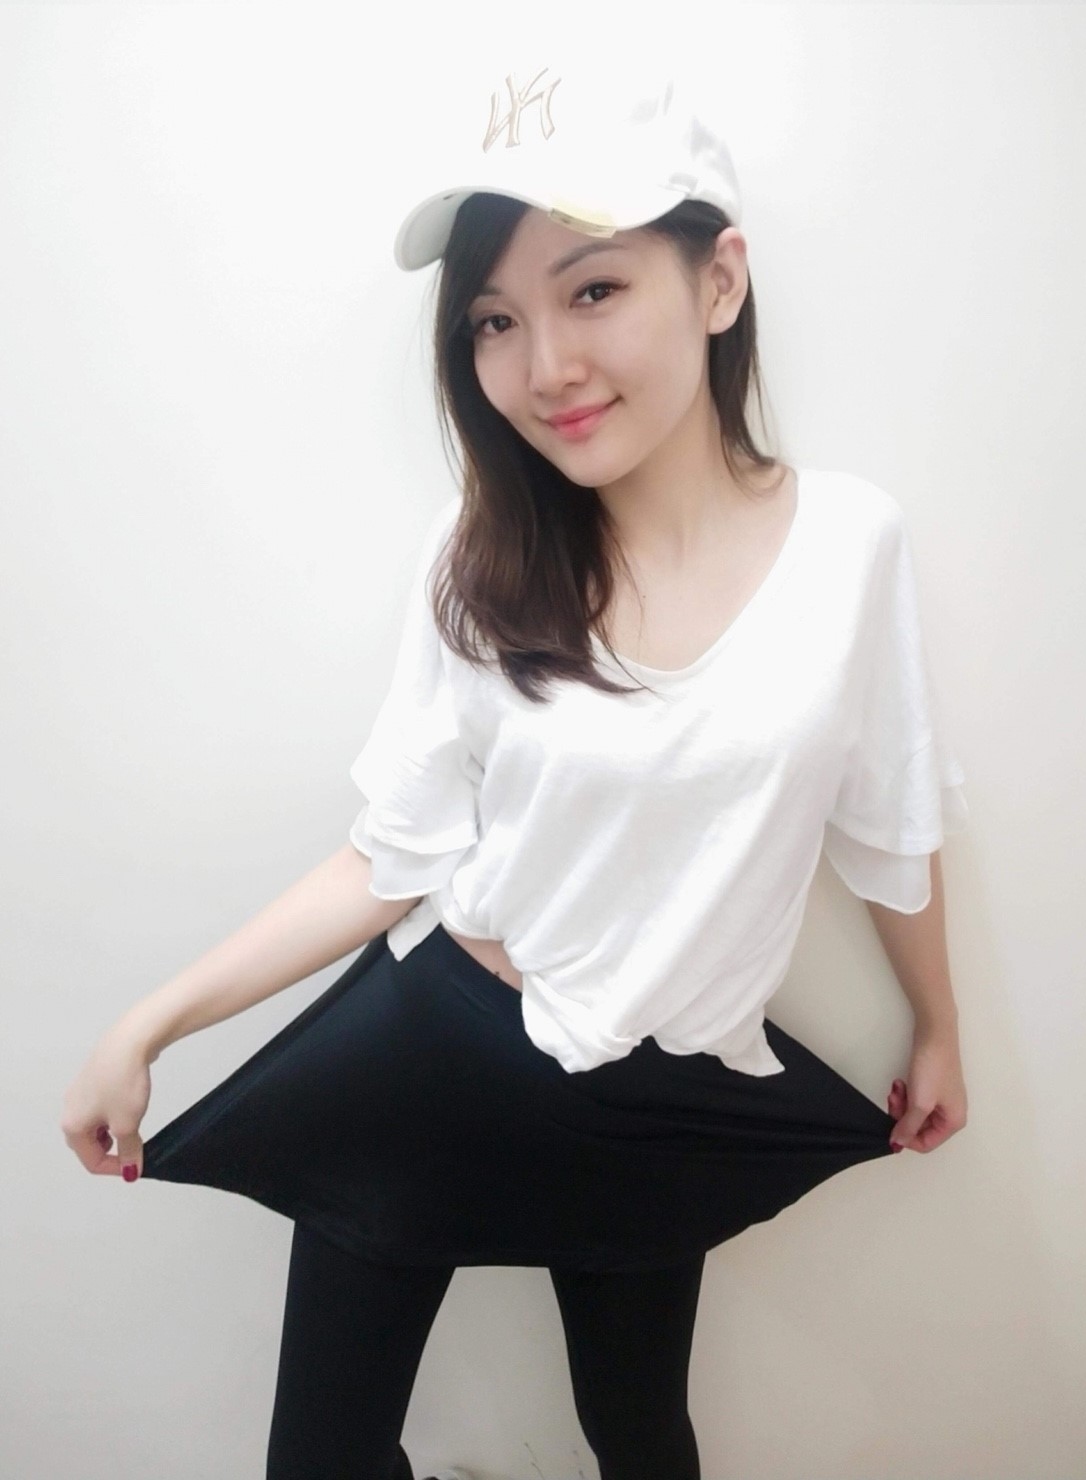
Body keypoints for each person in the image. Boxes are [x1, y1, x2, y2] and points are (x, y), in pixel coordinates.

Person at [60, 64, 971, 1480]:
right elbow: (391, 856)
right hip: (435, 1057)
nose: (543, 366)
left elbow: (889, 822)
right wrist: (150, 1024)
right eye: (495, 319)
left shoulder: (852, 546)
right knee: (321, 1455)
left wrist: (938, 1027)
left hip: (663, 1095)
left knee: (640, 1436)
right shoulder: (476, 552)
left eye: (593, 289)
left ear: (719, 280)